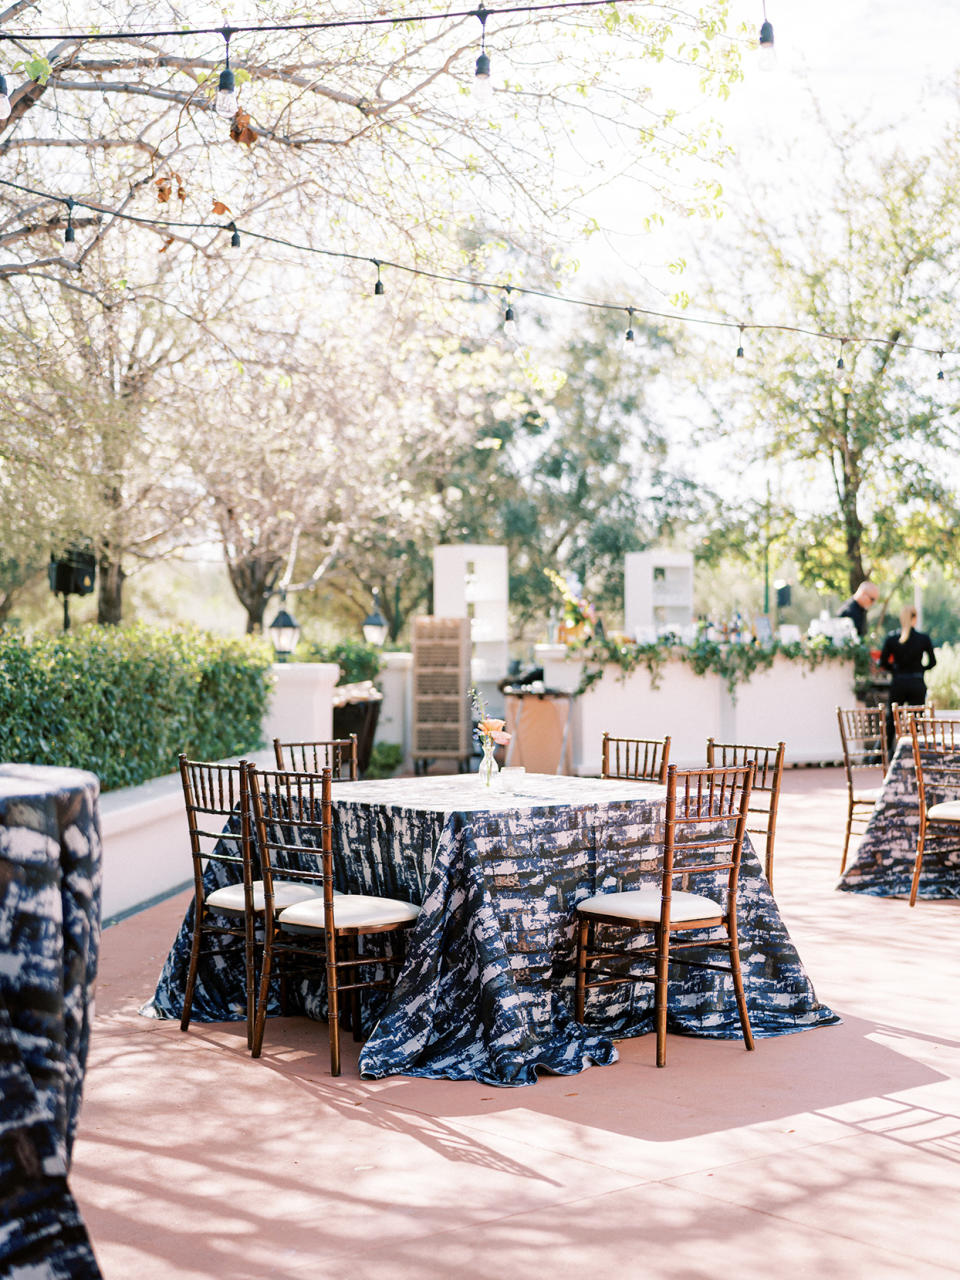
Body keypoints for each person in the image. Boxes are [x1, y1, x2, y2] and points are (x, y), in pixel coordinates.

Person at [880, 605, 936, 751]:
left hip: (899, 682)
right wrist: (920, 669)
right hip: (916, 682)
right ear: (914, 618)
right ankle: (918, 751)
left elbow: (883, 662)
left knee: (892, 718)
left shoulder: (892, 638)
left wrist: (895, 670)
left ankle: (886, 752)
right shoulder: (923, 638)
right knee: (917, 719)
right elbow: (932, 662)